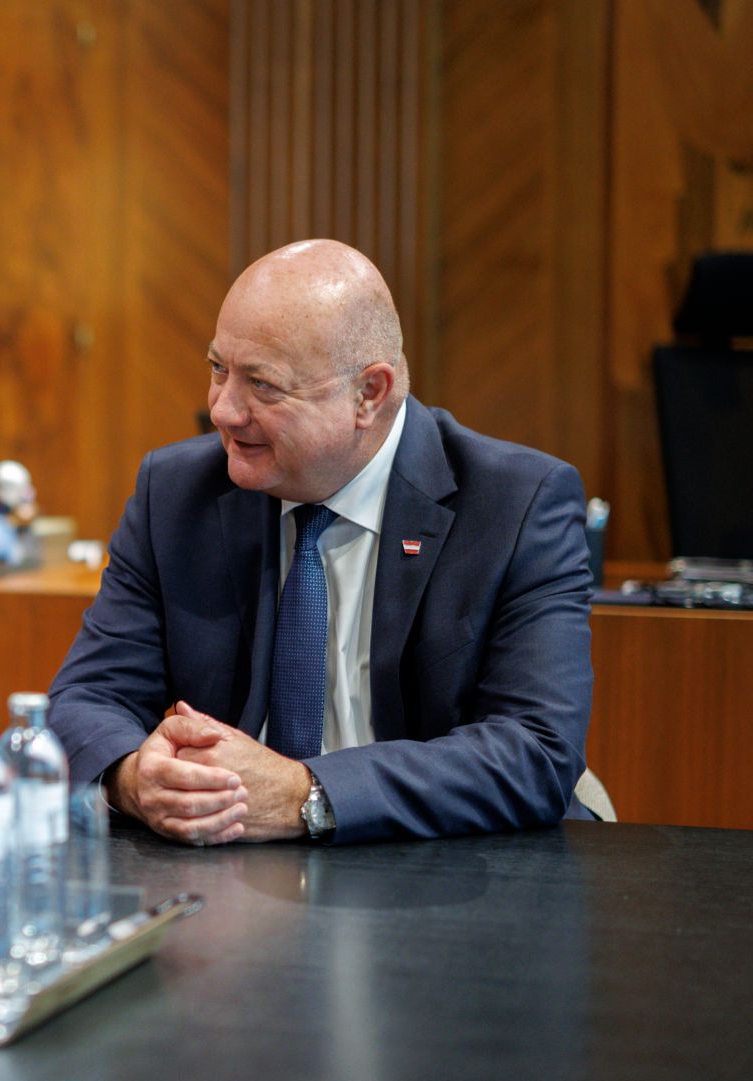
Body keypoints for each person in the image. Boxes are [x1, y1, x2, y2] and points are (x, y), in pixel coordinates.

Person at [48, 239, 593, 846]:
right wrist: (135, 778)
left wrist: (306, 793)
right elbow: (85, 699)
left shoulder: (515, 503)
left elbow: (536, 750)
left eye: (263, 385)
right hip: (231, 875)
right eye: (217, 369)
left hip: (442, 863)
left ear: (369, 394)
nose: (223, 410)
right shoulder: (176, 493)